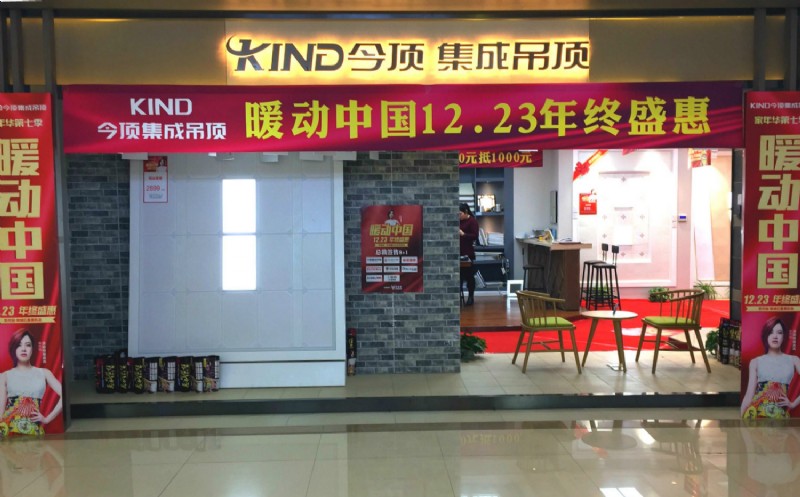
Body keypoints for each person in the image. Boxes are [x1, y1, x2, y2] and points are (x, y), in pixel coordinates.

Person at [0, 328, 63, 436]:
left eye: (28, 345)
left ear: (32, 348)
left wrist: (47, 419)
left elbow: (63, 394)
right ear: (14, 348)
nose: (23, 349)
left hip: (34, 430)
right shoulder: (5, 376)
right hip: (8, 430)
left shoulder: (44, 373)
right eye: (19, 345)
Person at [741, 317, 800, 419]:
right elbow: (748, 396)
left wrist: (793, 404)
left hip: (780, 416)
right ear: (766, 335)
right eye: (771, 332)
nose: (775, 336)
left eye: (779, 332)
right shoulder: (756, 362)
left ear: (784, 336)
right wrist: (741, 423)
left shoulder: (794, 360)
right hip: (756, 414)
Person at [459, 203, 479, 306]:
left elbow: (475, 236)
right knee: (459, 276)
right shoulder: (458, 221)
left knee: (469, 276)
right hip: (458, 251)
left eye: (460, 214)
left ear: (466, 212)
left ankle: (471, 296)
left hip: (468, 252)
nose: (458, 216)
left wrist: (464, 234)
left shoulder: (472, 221)